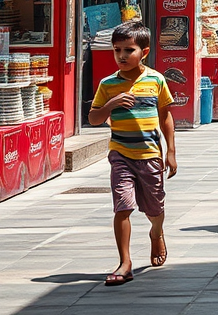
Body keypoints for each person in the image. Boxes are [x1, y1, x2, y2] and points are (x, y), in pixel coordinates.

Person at [88, 21, 177, 286]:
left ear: (144, 52)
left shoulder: (155, 80)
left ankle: (156, 233)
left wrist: (170, 151)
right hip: (120, 154)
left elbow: (166, 116)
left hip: (150, 154)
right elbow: (93, 118)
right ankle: (125, 263)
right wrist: (112, 104)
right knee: (123, 207)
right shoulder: (108, 84)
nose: (122, 56)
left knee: (154, 207)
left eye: (129, 50)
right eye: (117, 50)